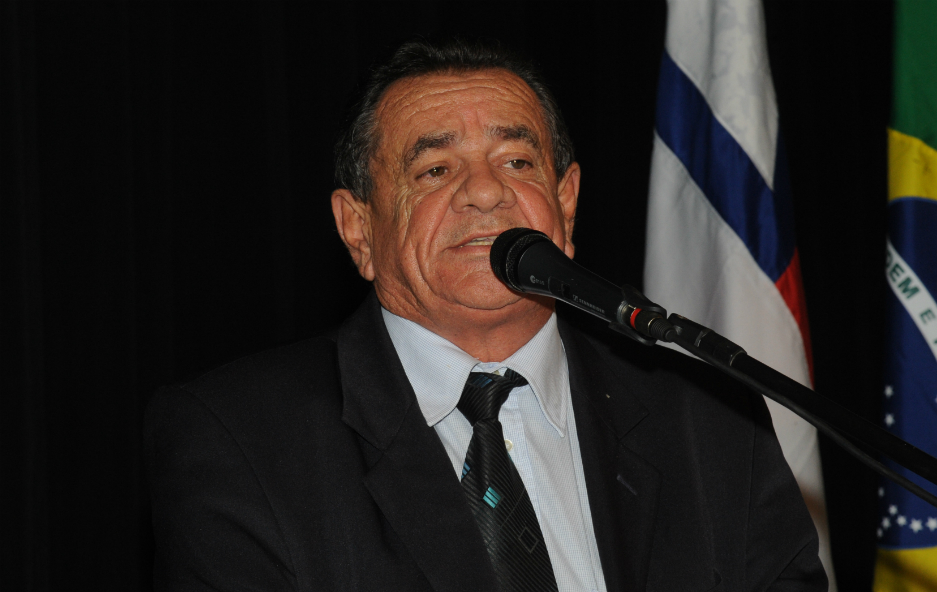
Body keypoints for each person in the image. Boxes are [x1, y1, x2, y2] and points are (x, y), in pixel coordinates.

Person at [145, 39, 828, 592]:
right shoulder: (240, 440)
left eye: (517, 160)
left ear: (565, 204)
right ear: (357, 228)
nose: (484, 191)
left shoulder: (707, 418)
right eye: (435, 170)